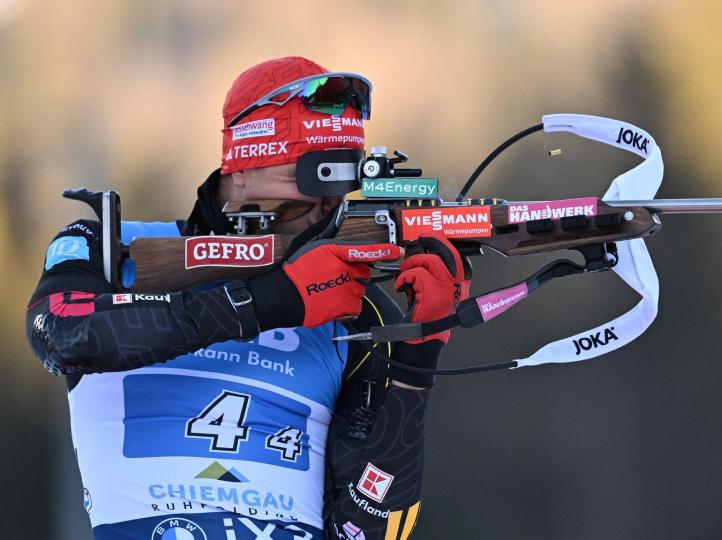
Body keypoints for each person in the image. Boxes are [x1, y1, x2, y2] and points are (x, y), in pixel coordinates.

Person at [25, 56, 468, 540]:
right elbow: (63, 333)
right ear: (240, 170)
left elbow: (366, 532)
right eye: (304, 182)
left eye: (337, 190)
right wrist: (271, 301)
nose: (321, 211)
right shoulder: (113, 247)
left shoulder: (356, 306)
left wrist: (417, 366)